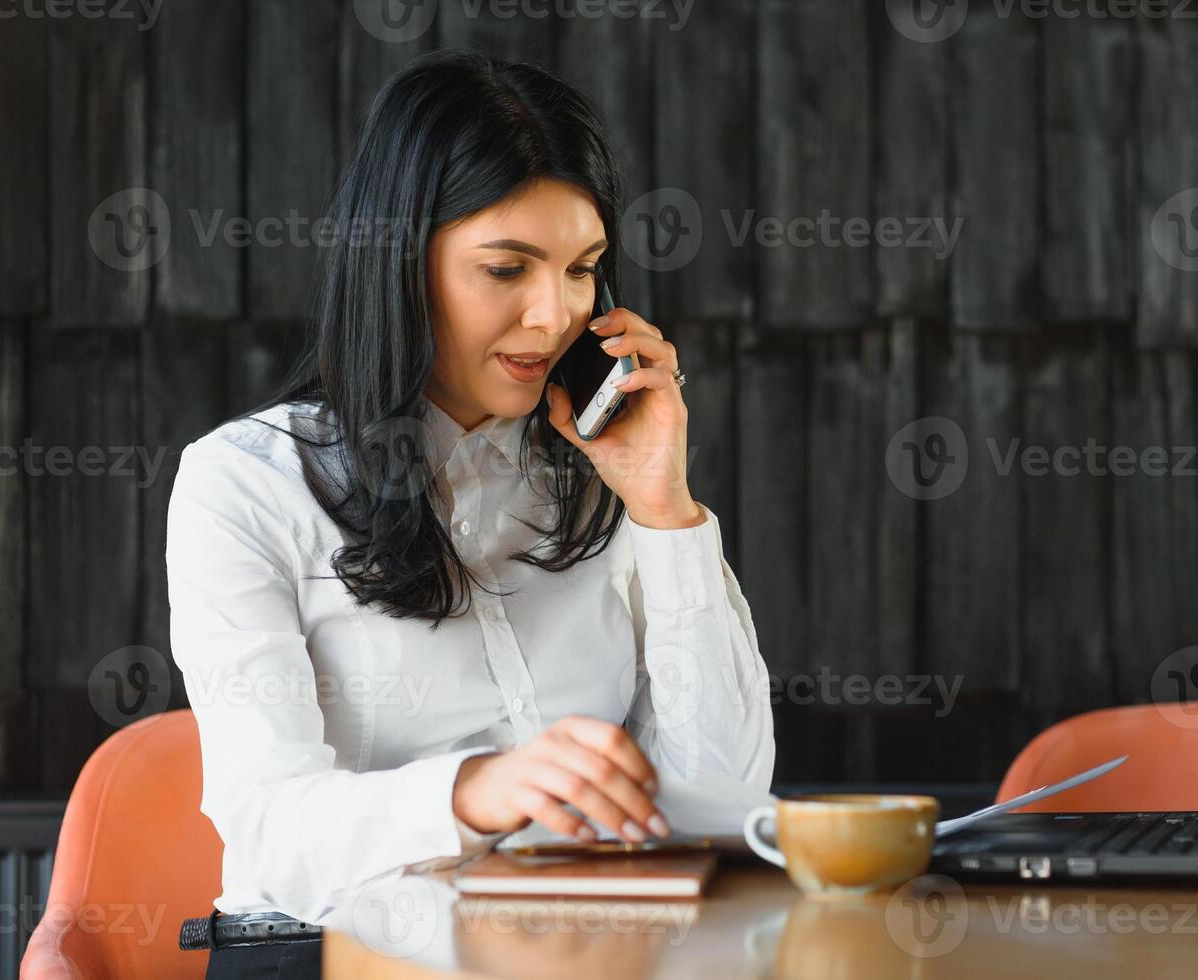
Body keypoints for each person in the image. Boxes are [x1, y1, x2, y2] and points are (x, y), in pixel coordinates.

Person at [166, 48, 775, 980]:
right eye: (506, 268)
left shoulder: (602, 479)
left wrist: (664, 510)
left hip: (575, 954)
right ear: (400, 265)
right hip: (327, 953)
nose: (554, 316)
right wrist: (474, 791)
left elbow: (725, 799)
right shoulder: (244, 485)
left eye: (584, 269)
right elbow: (271, 827)